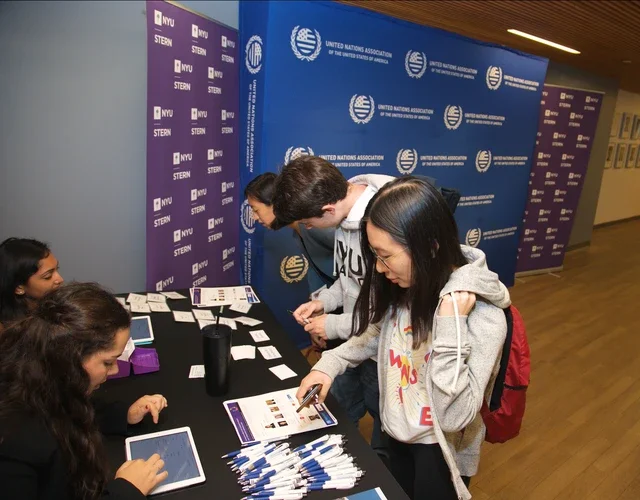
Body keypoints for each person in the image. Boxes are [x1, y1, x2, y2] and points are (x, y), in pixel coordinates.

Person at [295, 177, 510, 500]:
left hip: (438, 453)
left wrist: (451, 324)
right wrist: (329, 364)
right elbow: (378, 332)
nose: (379, 269)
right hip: (396, 433)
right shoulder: (405, 285)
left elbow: (454, 416)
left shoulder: (482, 315)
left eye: (385, 256)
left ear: (429, 247)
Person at [272, 155, 395, 458]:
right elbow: (347, 279)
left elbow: (389, 313)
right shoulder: (345, 216)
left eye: (308, 222)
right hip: (352, 343)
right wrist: (322, 303)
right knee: (340, 413)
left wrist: (333, 325)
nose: (309, 229)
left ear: (328, 208)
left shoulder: (385, 227)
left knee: (388, 440)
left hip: (384, 355)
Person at [0, 282, 170, 499]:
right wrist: (126, 490)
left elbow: (74, 409)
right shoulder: (17, 444)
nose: (115, 370)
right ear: (70, 358)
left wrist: (124, 415)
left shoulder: (41, 377)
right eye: (108, 362)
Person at [245, 173, 336, 350]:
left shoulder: (315, 228)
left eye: (256, 210)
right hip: (332, 308)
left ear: (276, 204)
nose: (255, 218)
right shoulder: (298, 231)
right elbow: (315, 274)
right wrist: (315, 318)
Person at [0, 237, 64, 327]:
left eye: (57, 269)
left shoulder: (60, 308)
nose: (60, 279)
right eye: (48, 277)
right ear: (19, 288)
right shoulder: (11, 333)